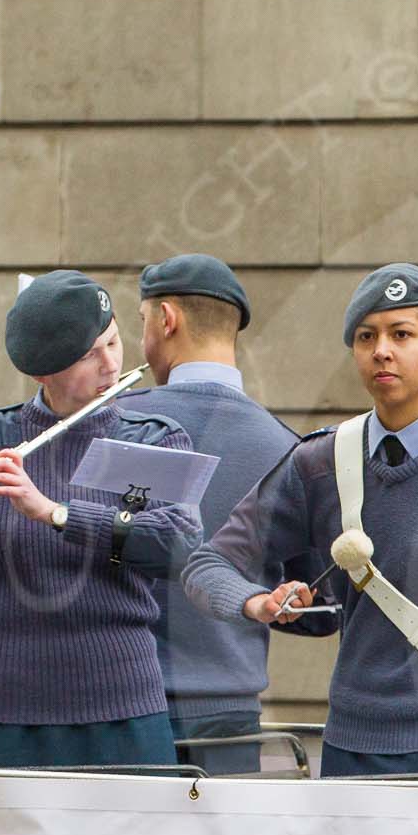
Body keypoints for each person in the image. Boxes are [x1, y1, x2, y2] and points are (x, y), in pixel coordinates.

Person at [182, 263, 418, 780]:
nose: (381, 350)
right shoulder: (320, 462)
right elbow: (207, 564)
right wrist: (256, 602)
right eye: (367, 337)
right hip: (348, 748)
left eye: (401, 334)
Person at [0, 270, 199, 769]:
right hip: (2, 714)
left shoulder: (151, 437)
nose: (111, 363)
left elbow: (181, 547)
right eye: (88, 355)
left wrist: (56, 513)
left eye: (112, 341)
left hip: (121, 707)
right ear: (43, 373)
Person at [119, 254, 298, 775]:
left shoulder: (121, 422)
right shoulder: (287, 447)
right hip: (230, 710)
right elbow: (312, 605)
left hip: (126, 700)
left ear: (167, 319)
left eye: (144, 322)